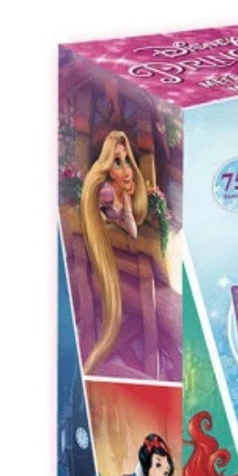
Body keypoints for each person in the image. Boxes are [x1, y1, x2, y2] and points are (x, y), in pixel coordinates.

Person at [80, 131, 149, 374]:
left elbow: (133, 230)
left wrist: (128, 203)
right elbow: (130, 231)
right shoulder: (107, 192)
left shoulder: (123, 193)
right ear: (108, 168)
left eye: (127, 160)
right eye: (117, 163)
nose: (126, 170)